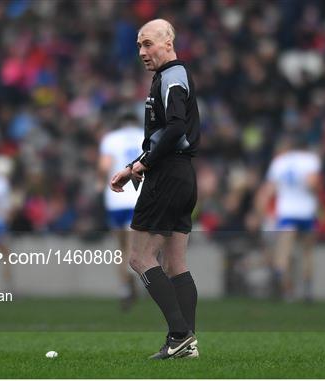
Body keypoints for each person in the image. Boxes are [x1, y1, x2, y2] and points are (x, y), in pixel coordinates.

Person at [110, 19, 200, 359]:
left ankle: (179, 334)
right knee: (176, 263)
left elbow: (176, 128)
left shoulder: (172, 76)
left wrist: (144, 164)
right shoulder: (167, 77)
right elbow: (165, 134)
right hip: (182, 174)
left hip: (167, 175)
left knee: (139, 257)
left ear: (168, 41)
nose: (142, 52)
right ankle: (186, 345)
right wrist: (134, 164)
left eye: (148, 43)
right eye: (138, 45)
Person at [256, 136, 321, 302]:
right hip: (306, 212)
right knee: (307, 252)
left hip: (286, 213)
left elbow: (267, 192)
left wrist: (264, 215)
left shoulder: (280, 162)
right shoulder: (310, 160)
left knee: (283, 253)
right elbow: (313, 183)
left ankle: (285, 289)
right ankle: (307, 289)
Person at [97, 112, 144, 311]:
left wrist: (100, 183)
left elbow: (104, 166)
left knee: (121, 248)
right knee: (136, 246)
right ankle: (133, 275)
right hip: (139, 197)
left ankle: (125, 287)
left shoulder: (111, 138)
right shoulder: (145, 136)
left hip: (116, 199)